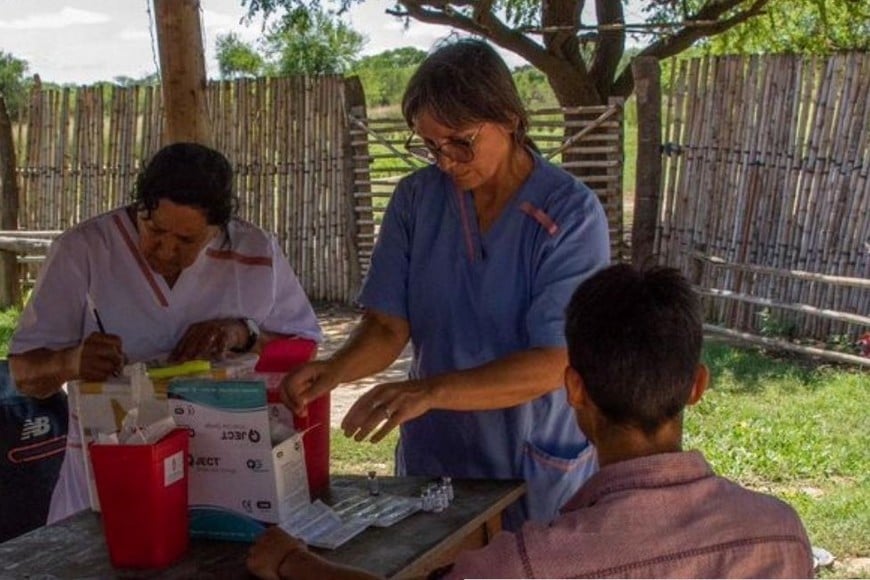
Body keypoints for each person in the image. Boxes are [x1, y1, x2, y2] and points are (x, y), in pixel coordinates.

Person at [247, 264, 814, 580]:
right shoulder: (780, 534)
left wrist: (293, 563)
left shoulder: (535, 563)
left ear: (573, 389)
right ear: (696, 387)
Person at [280, 37, 610, 528]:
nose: (446, 161)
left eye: (461, 142)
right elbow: (388, 327)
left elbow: (553, 363)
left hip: (531, 456)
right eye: (430, 146)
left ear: (511, 119)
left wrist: (431, 392)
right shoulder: (417, 201)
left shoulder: (569, 214)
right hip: (438, 453)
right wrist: (335, 371)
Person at [9, 141, 322, 524]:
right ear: (140, 207)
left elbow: (302, 352)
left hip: (228, 483)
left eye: (187, 241)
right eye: (154, 230)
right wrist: (70, 361)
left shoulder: (256, 253)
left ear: (218, 230)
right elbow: (24, 375)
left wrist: (243, 332)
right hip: (106, 484)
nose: (166, 250)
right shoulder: (84, 250)